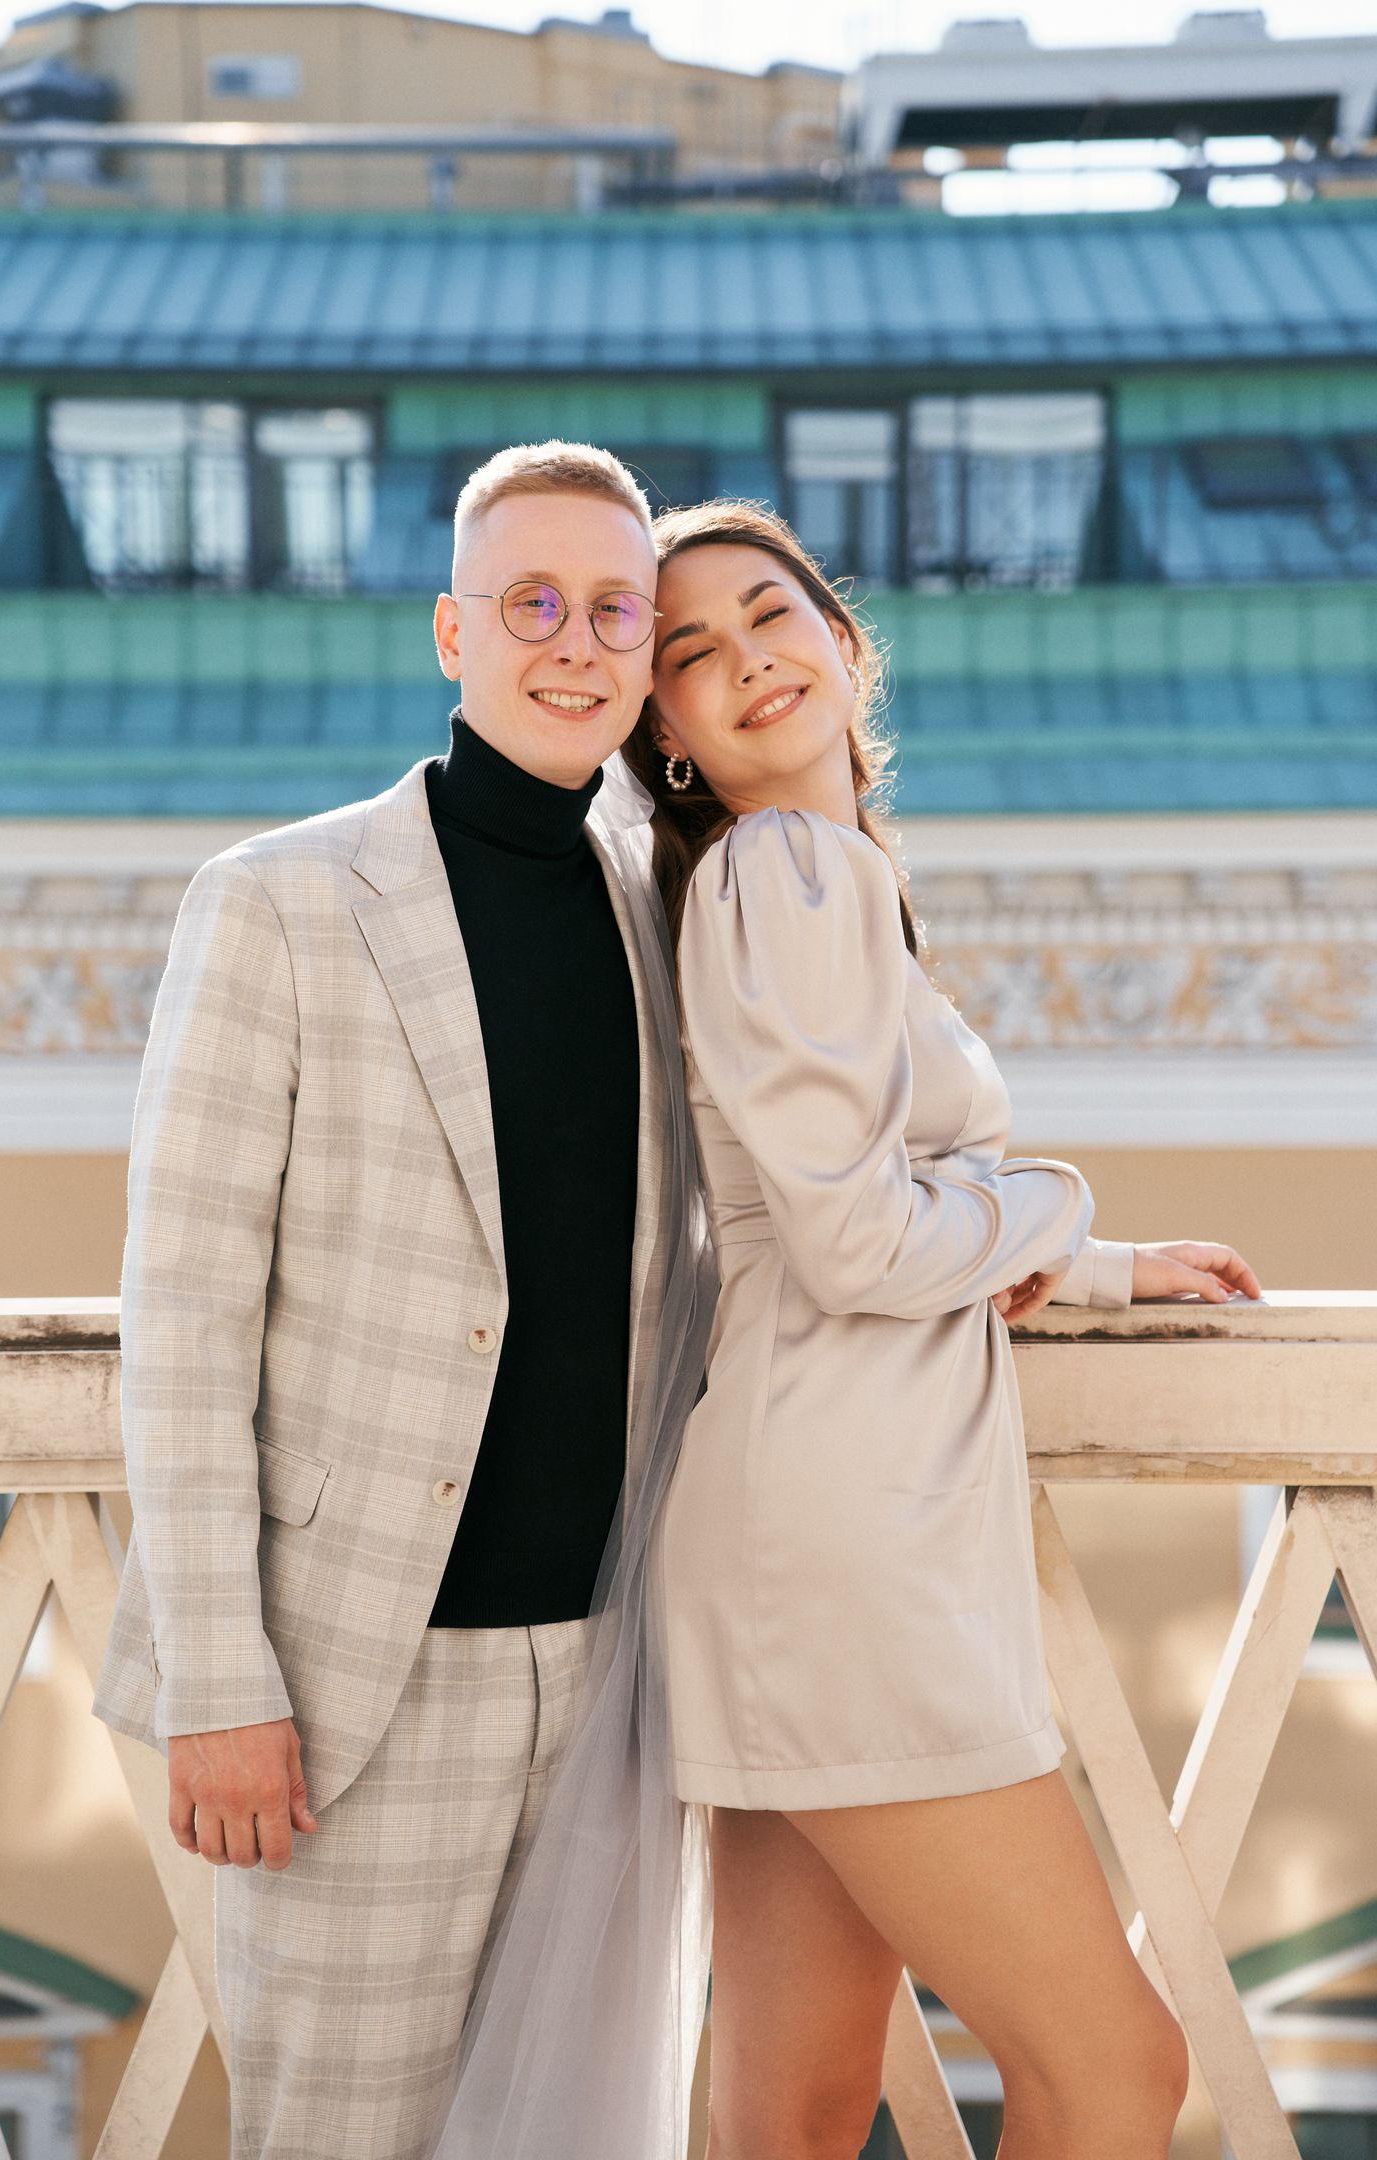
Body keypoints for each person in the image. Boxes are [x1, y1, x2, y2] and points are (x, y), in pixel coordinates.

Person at [91, 440, 714, 2160]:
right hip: (348, 1689)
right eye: (532, 602)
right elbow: (185, 1319)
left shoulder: (666, 910)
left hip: (614, 1679)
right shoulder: (276, 903)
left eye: (614, 610)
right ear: (453, 630)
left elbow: (797, 1199)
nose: (574, 643)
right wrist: (220, 1676)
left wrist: (1085, 1262)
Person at [623, 497, 1264, 2160]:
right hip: (852, 1544)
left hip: (803, 1516)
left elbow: (839, 1203)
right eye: (691, 652)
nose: (748, 660)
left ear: (844, 641)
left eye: (772, 615)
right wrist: (1053, 1208)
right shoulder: (788, 873)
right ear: (669, 737)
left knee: (795, 2104)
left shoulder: (796, 881)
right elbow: (853, 1242)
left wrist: (1092, 1265)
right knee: (1114, 2067)